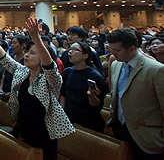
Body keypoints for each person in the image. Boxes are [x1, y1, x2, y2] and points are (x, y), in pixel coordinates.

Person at [0, 17, 74, 160]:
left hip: (44, 135)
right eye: (27, 51)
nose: (26, 55)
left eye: (32, 53)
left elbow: (49, 66)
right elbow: (4, 58)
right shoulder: (23, 72)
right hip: (23, 130)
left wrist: (36, 38)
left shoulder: (51, 80)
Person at [107, 28, 164, 158]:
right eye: (111, 50)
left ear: (132, 49)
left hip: (147, 136)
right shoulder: (116, 64)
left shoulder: (155, 70)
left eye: (117, 51)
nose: (113, 54)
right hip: (121, 129)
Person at [60, 41, 107, 133]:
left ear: (85, 55)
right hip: (70, 118)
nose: (70, 52)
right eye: (70, 49)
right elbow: (63, 95)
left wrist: (92, 96)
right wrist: (62, 114)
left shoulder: (94, 76)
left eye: (75, 50)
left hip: (88, 120)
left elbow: (97, 104)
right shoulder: (67, 72)